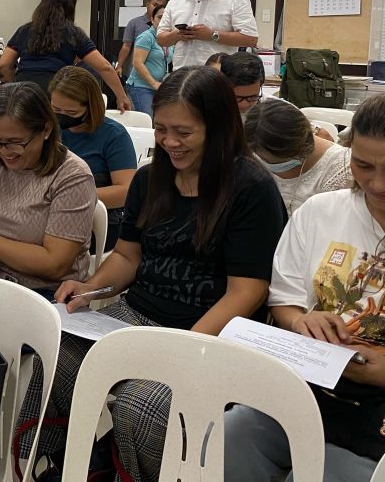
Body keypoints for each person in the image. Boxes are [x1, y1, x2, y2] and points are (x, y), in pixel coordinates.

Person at [24, 66, 286, 481]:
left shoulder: (251, 188)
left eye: (183, 132)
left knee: (140, 406)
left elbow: (247, 291)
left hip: (208, 330)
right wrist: (90, 288)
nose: (168, 142)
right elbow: (128, 256)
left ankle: (140, 469)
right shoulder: (152, 178)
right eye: (162, 130)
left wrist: (186, 346)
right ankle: (63, 461)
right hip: (139, 314)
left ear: (217, 128)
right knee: (56, 355)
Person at [223, 93, 385, 482]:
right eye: (363, 166)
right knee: (226, 439)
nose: (377, 185)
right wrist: (301, 323)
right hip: (311, 384)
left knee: (330, 473)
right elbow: (286, 302)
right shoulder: (320, 213)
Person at [0, 82, 97, 296]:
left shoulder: (72, 176)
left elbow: (54, 264)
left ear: (46, 130)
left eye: (15, 142)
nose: (5, 151)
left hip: (45, 292)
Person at [0, 0, 132, 111]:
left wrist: (15, 83)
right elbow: (104, 67)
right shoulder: (73, 33)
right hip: (54, 90)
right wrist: (122, 96)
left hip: (22, 92)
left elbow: (3, 64)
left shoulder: (24, 30)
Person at [50, 66, 136, 251]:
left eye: (71, 113)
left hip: (96, 223)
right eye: (56, 109)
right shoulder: (49, 129)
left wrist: (68, 198)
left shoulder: (114, 136)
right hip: (48, 216)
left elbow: (126, 191)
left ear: (90, 107)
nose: (62, 117)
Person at [244, 99, 352, 216]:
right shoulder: (253, 152)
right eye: (262, 158)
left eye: (276, 161)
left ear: (299, 151)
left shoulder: (342, 169)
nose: (265, 163)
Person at [125, 4, 171, 117]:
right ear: (152, 19)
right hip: (141, 86)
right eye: (160, 17)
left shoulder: (169, 39)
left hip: (159, 87)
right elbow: (137, 62)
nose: (162, 21)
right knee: (148, 120)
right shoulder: (146, 37)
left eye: (166, 18)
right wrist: (154, 83)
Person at [116, 0, 167, 79]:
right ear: (147, 4)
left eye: (161, 6)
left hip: (160, 74)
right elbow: (126, 46)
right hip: (137, 73)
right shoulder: (134, 23)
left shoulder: (167, 25)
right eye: (154, 5)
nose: (157, 9)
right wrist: (119, 65)